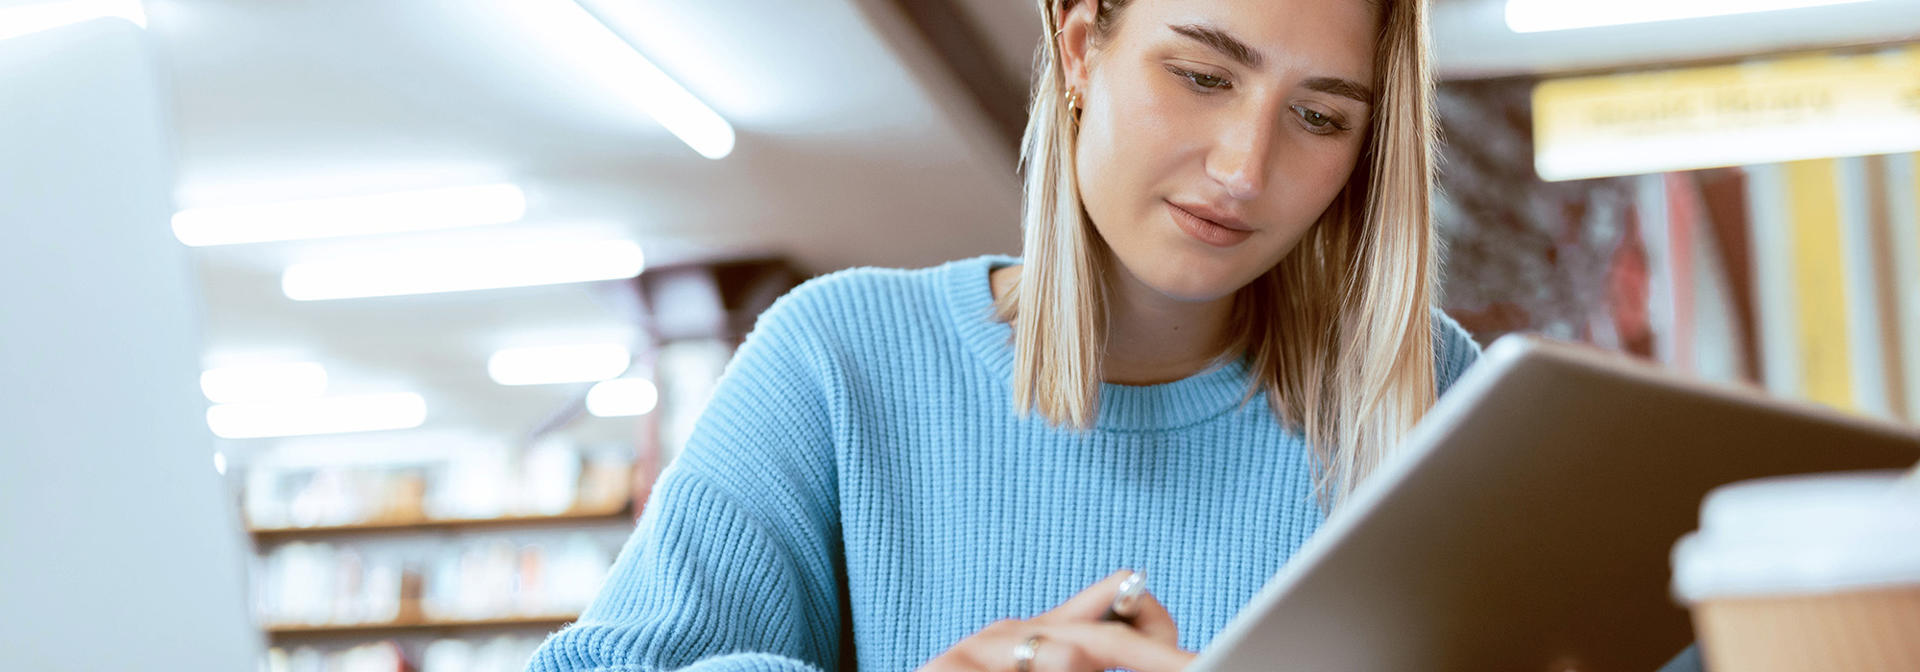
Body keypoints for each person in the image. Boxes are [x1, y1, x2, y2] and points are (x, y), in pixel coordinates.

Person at [527, 0, 1478, 669]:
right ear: (1078, 47)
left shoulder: (1431, 393)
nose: (1243, 166)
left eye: (1318, 117)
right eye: (1199, 75)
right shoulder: (840, 359)